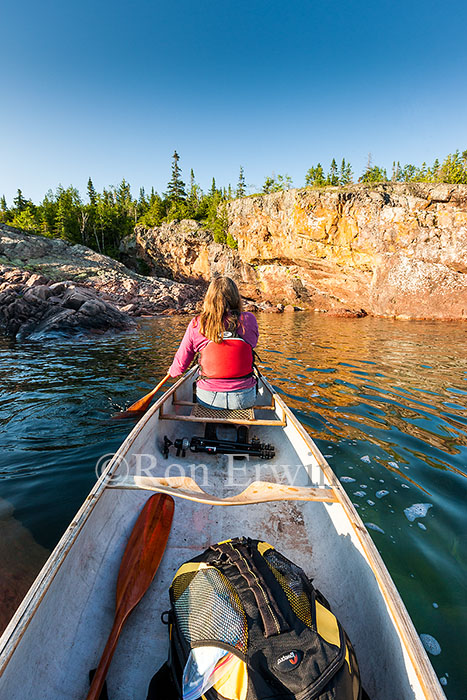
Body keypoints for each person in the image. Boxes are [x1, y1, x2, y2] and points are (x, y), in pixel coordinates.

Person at [168, 276, 258, 409]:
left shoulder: (197, 323)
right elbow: (253, 343)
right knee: (243, 403)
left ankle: (209, 426)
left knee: (207, 405)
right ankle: (241, 426)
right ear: (235, 297)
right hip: (244, 397)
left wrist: (172, 371)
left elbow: (182, 362)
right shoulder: (249, 319)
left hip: (209, 398)